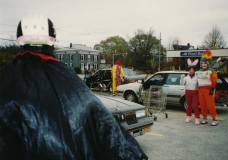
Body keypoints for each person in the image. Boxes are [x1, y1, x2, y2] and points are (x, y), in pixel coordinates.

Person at [0, 14, 148, 159]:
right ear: (53, 40)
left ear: (20, 40)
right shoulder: (71, 79)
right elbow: (108, 131)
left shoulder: (5, 78)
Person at [196, 50, 218, 126]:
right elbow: (196, 80)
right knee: (202, 105)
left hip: (208, 90)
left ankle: (214, 119)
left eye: (205, 63)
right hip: (201, 90)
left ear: (208, 64)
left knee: (210, 105)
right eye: (202, 63)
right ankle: (205, 118)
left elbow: (214, 80)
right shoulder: (199, 71)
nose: (203, 65)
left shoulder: (212, 71)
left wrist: (212, 89)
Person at [180, 58, 200, 125]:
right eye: (190, 69)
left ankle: (197, 118)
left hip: (194, 92)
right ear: (188, 70)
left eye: (192, 70)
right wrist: (182, 78)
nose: (191, 71)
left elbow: (199, 84)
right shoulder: (185, 77)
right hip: (188, 92)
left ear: (194, 70)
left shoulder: (197, 77)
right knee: (189, 105)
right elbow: (182, 83)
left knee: (195, 106)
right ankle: (188, 117)